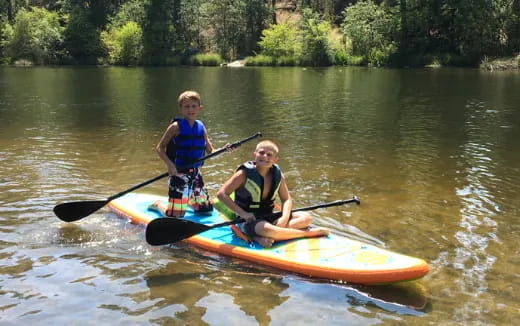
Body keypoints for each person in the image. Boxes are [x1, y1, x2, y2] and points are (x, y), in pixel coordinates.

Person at [216, 140, 330, 248]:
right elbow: (221, 194)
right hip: (248, 220)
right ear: (255, 154)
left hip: (268, 216)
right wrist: (243, 214)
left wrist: (284, 218)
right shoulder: (243, 173)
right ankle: (307, 234)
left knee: (306, 218)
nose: (264, 156)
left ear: (276, 159)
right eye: (261, 153)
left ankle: (270, 234)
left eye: (269, 155)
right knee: (265, 228)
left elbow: (286, 199)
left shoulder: (277, 174)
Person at [149, 90, 217, 218]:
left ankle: (189, 200)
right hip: (179, 174)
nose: (190, 109)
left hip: (196, 173)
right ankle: (158, 204)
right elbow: (160, 148)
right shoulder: (175, 127)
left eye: (194, 106)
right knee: (175, 216)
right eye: (186, 106)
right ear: (181, 109)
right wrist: (170, 166)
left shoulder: (201, 127)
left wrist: (226, 149)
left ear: (199, 108)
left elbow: (210, 151)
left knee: (205, 210)